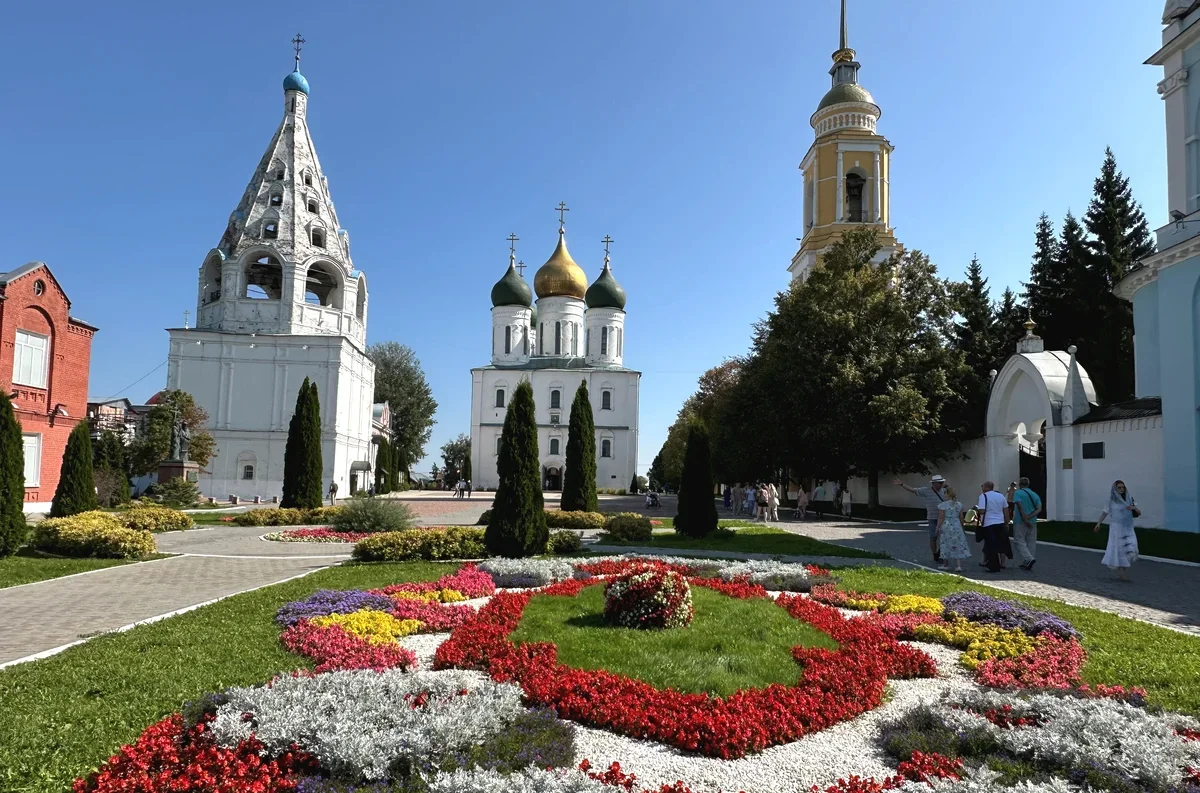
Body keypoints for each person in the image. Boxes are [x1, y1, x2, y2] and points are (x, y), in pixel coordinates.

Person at [894, 475, 949, 565]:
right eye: (939, 483)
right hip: (932, 517)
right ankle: (935, 555)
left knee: (945, 538)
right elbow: (913, 490)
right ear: (934, 483)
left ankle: (941, 554)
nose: (941, 484)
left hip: (944, 518)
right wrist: (902, 484)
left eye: (941, 482)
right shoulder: (926, 490)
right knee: (933, 537)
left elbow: (951, 500)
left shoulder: (945, 491)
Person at [1095, 480, 1139, 580]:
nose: (1121, 489)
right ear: (1115, 489)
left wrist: (1133, 508)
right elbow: (1104, 513)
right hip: (1116, 528)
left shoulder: (1129, 499)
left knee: (1132, 547)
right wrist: (1098, 523)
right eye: (1119, 487)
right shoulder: (1111, 500)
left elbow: (1138, 513)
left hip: (1128, 527)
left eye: (1123, 487)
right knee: (1120, 550)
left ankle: (1123, 571)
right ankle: (1122, 572)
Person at [935, 486, 972, 572]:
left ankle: (945, 564)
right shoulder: (959, 504)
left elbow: (941, 517)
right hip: (956, 525)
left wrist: (937, 527)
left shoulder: (943, 505)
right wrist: (962, 526)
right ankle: (958, 565)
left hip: (946, 525)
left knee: (945, 543)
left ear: (947, 494)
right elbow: (961, 517)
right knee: (957, 543)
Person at [1011, 477, 1043, 571]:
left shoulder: (1018, 493)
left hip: (1020, 521)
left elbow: (1019, 506)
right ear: (1028, 484)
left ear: (1020, 484)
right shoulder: (1034, 494)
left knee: (1019, 540)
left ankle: (1029, 558)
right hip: (1032, 521)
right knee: (1031, 541)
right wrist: (1029, 517)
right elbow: (1039, 509)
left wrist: (1025, 518)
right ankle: (1028, 561)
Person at [976, 481, 1008, 572]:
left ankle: (993, 566)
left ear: (986, 487)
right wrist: (1006, 522)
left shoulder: (983, 496)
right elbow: (1006, 510)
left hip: (989, 523)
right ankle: (999, 563)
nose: (982, 488)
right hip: (1000, 522)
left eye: (982, 486)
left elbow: (982, 510)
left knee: (990, 545)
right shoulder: (1001, 496)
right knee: (999, 543)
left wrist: (977, 510)